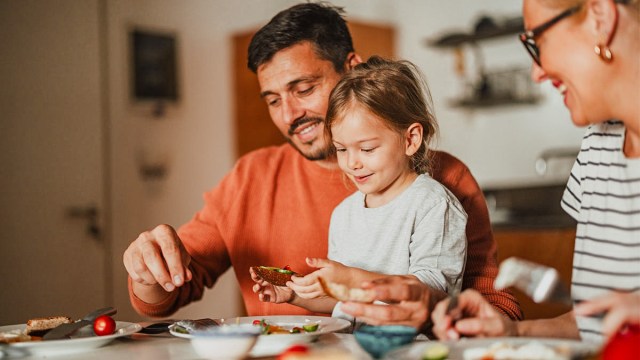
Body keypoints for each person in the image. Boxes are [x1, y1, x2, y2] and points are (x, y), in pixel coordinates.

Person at [123, 2, 521, 322]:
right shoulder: (251, 178)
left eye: (304, 88)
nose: (290, 114)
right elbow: (167, 293)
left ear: (351, 69)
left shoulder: (444, 179)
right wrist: (149, 268)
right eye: (274, 100)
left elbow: (494, 307)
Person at [428, 0, 639, 345]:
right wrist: (513, 331)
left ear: (601, 17)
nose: (536, 72)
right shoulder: (599, 145)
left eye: (537, 43)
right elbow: (597, 324)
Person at [250, 56, 468, 315]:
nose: (352, 163)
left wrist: (354, 279)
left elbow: (433, 291)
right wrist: (295, 295)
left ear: (410, 139)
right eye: (341, 149)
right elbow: (342, 301)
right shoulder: (344, 212)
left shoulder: (432, 205)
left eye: (367, 148)